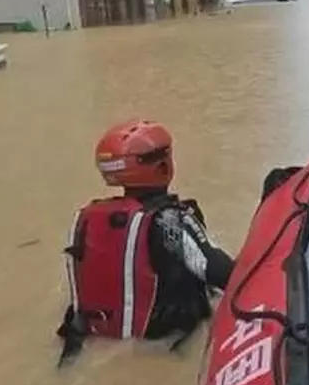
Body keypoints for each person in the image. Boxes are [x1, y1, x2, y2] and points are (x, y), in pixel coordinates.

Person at [56, 119, 235, 365]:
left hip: (94, 333)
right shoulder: (169, 220)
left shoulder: (88, 217)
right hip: (162, 337)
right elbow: (222, 274)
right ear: (163, 167)